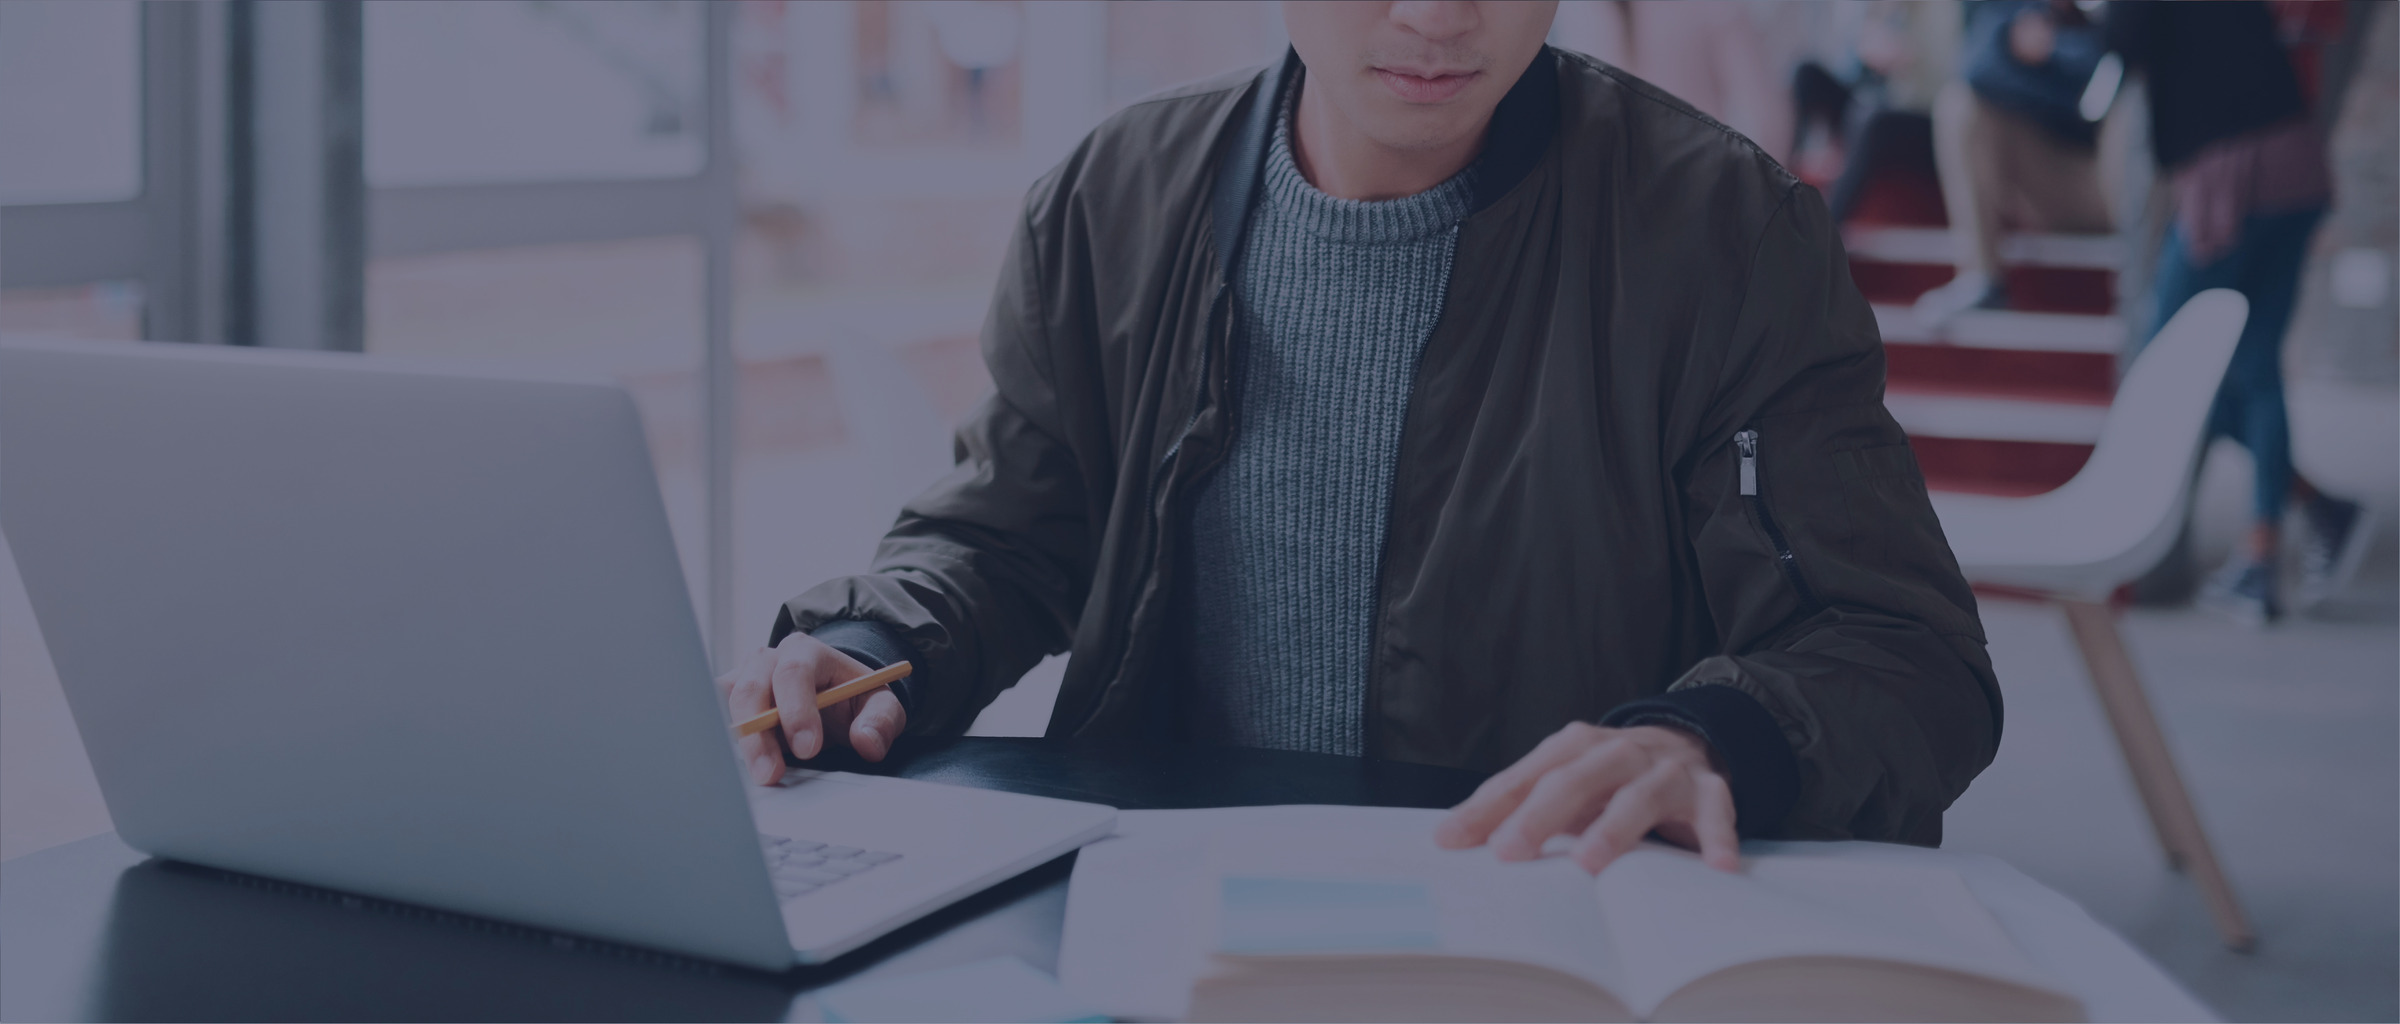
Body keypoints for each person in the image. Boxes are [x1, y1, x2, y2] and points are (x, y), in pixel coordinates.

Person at [717, 1, 2002, 875]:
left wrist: (1702, 738)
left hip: (1543, 919)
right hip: (1175, 917)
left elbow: (1903, 652)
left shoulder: (1721, 232)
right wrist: (863, 651)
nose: (1438, 16)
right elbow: (1003, 537)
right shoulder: (1113, 200)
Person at [2102, 0, 2376, 624]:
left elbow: (2122, 38)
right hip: (2294, 159)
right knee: (2254, 363)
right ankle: (2265, 552)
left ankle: (2305, 515)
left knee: (2163, 364)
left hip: (2229, 171)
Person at [1915, 0, 2115, 325]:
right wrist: (2014, 43)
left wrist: (2048, 56)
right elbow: (1976, 70)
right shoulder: (2019, 15)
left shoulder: (2103, 15)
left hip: (2114, 182)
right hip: (2052, 177)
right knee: (1959, 105)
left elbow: (2095, 90)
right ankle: (1982, 278)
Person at [1788, 0, 1960, 224]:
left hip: (1930, 123)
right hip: (1878, 107)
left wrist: (1910, 58)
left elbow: (1952, 82)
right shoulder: (1888, 10)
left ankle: (1824, 229)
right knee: (1806, 72)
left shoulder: (1947, 10)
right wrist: (1864, 46)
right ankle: (1784, 191)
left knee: (1874, 120)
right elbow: (1855, 72)